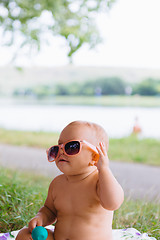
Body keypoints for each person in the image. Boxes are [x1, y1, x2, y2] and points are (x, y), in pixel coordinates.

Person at [16, 120, 124, 240]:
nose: (61, 151)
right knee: (24, 235)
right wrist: (41, 217)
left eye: (71, 147)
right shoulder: (57, 184)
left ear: (95, 156)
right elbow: (49, 210)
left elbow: (113, 203)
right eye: (57, 148)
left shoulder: (99, 182)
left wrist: (104, 169)